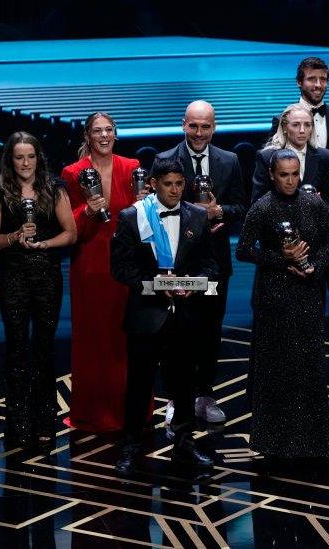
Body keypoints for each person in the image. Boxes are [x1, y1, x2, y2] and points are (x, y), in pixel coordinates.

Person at [110, 158, 219, 474]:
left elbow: (209, 265)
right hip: (146, 314)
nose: (174, 190)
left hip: (185, 315)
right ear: (154, 184)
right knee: (140, 384)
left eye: (179, 184)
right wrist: (158, 287)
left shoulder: (197, 216)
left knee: (183, 384)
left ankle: (184, 444)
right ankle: (131, 446)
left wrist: (190, 288)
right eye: (168, 184)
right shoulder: (133, 217)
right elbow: (120, 268)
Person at [236, 149, 329, 461]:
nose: (291, 180)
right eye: (284, 174)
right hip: (274, 297)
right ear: (271, 174)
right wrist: (282, 261)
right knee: (276, 367)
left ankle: (312, 440)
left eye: (295, 174)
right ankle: (274, 442)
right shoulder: (262, 208)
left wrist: (314, 267)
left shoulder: (315, 204)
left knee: (309, 364)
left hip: (307, 294)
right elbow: (243, 250)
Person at [154, 100, 246, 424]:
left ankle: (205, 395)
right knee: (175, 332)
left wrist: (219, 212)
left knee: (210, 330)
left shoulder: (229, 160)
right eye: (193, 125)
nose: (199, 132)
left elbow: (241, 207)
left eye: (205, 126)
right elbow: (154, 211)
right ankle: (175, 399)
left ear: (214, 127)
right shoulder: (164, 160)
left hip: (215, 264)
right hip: (175, 264)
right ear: (183, 125)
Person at [0, 132, 77, 448]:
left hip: (46, 277)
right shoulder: (0, 191)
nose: (25, 163)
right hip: (13, 279)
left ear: (38, 158)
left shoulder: (54, 189)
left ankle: (44, 420)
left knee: (43, 348)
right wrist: (15, 236)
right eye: (19, 157)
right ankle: (17, 422)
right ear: (11, 160)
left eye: (30, 156)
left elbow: (71, 233)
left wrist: (44, 243)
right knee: (15, 349)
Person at [62, 111, 141, 432]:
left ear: (115, 134)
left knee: (126, 338)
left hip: (127, 265)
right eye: (98, 131)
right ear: (88, 136)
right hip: (91, 265)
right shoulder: (73, 173)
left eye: (109, 129)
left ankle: (129, 410)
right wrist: (86, 212)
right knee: (93, 338)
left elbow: (144, 218)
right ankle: (92, 412)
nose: (105, 135)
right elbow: (67, 223)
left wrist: (145, 204)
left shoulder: (132, 167)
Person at [269, 56, 329, 170]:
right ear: (299, 82)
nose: (318, 85)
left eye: (323, 79)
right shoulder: (281, 120)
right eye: (312, 79)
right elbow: (272, 162)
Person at [252, 103, 329, 203]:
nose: (302, 130)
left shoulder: (324, 156)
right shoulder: (266, 157)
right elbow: (257, 202)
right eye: (296, 125)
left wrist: (319, 204)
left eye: (307, 125)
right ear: (285, 127)